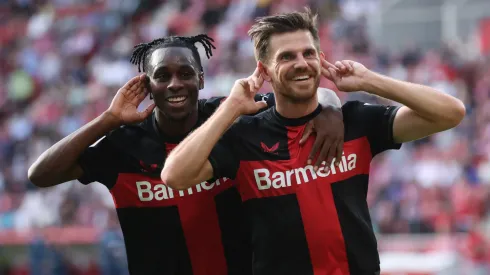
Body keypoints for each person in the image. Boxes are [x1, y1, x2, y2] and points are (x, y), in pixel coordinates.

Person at [160, 9, 466, 275]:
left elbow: (451, 113)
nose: (301, 63)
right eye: (287, 57)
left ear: (320, 59)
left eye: (308, 53)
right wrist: (230, 108)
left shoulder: (354, 121)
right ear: (264, 71)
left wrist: (369, 80)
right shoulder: (245, 137)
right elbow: (174, 175)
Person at [28, 34, 345, 275]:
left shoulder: (233, 115)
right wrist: (108, 119)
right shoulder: (123, 145)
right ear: (148, 85)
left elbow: (301, 98)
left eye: (185, 73)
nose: (175, 84)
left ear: (201, 78)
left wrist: (330, 105)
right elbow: (41, 175)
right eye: (162, 76)